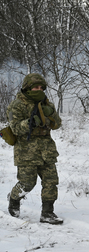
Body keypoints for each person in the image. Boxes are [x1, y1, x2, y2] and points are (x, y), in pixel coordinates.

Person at [6, 73, 63, 224]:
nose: (39, 90)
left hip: (46, 150)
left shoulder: (47, 104)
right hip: (26, 152)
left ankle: (47, 213)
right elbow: (16, 129)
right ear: (27, 88)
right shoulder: (17, 105)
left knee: (51, 181)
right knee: (27, 183)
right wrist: (31, 122)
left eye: (41, 87)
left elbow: (57, 125)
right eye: (35, 87)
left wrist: (51, 116)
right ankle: (14, 198)